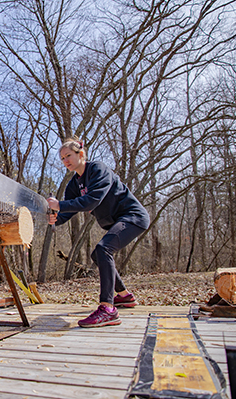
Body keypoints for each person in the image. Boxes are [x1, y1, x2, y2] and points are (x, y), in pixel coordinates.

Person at [47, 137, 150, 328]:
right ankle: (124, 296)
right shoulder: (73, 185)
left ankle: (108, 309)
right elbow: (69, 211)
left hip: (133, 217)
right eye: (62, 158)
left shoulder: (98, 170)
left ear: (81, 154)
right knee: (98, 253)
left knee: (103, 250)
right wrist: (56, 218)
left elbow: (93, 200)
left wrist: (59, 205)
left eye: (68, 155)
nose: (65, 161)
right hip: (118, 222)